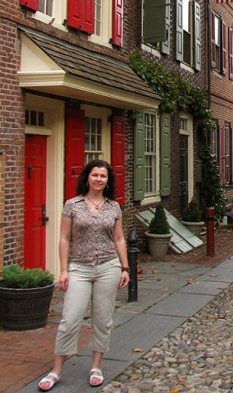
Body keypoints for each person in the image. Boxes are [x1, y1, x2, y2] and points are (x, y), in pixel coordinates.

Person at [38, 160, 130, 391]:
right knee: (70, 319)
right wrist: (63, 270)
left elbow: (118, 239)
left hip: (108, 267)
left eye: (103, 176)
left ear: (108, 181)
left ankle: (96, 366)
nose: (99, 179)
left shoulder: (114, 207)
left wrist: (125, 268)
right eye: (95, 175)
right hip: (79, 267)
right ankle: (57, 370)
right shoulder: (72, 205)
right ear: (87, 177)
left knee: (103, 319)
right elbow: (64, 239)